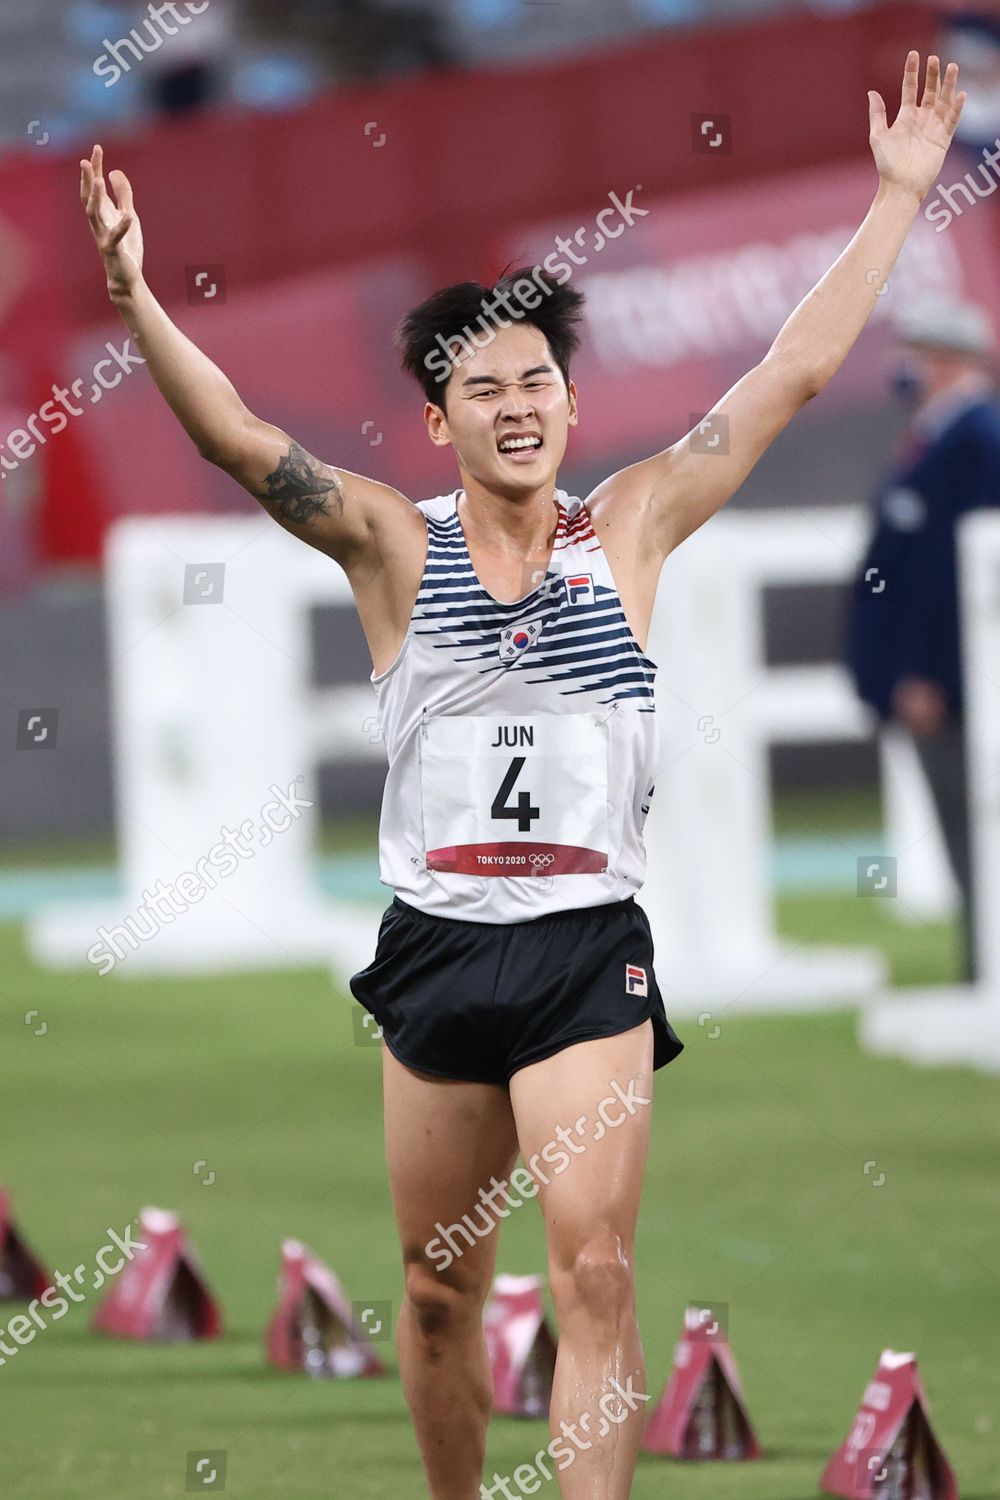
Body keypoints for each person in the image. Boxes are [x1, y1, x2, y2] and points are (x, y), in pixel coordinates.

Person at [80, 51, 966, 1499]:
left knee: (598, 1273)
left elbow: (791, 372)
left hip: (583, 955)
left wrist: (896, 199)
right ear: (438, 420)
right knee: (434, 1290)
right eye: (480, 386)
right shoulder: (391, 546)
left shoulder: (630, 529)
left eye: (537, 380)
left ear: (568, 399)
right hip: (436, 948)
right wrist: (134, 300)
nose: (515, 404)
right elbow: (238, 444)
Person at [845, 297, 1000, 984]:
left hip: (955, 688)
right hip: (940, 685)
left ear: (946, 360)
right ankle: (980, 966)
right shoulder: (939, 437)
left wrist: (927, 673)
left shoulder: (978, 442)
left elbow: (958, 577)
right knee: (964, 834)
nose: (901, 369)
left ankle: (987, 970)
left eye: (914, 353)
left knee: (976, 833)